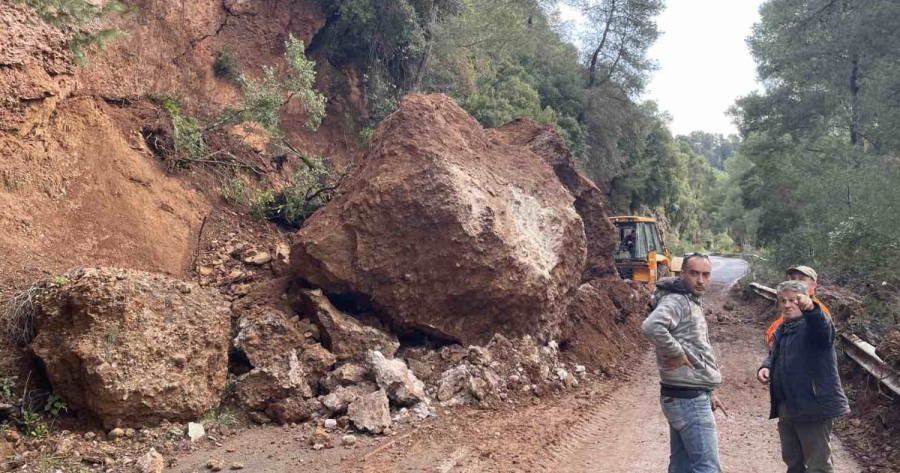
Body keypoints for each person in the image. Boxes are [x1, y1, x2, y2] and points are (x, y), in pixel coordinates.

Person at [642, 253, 726, 473]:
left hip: (684, 394)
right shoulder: (678, 300)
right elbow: (652, 326)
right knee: (707, 468)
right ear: (682, 274)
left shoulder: (687, 299)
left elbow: (697, 347)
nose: (700, 280)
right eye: (694, 273)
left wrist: (710, 390)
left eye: (705, 275)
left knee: (682, 466)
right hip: (688, 398)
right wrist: (678, 353)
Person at [757, 280, 850, 473]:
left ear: (804, 300)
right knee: (793, 462)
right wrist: (765, 367)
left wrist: (812, 309)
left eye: (793, 300)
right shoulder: (782, 328)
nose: (787, 305)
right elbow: (775, 354)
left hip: (813, 406)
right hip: (787, 405)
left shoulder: (814, 326)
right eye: (783, 300)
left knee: (818, 465)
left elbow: (823, 329)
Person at [766, 266, 832, 347]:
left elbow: (824, 333)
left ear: (813, 285)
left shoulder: (818, 311)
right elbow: (779, 327)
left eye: (801, 279)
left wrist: (811, 309)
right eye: (793, 278)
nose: (796, 282)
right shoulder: (790, 303)